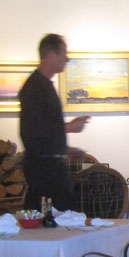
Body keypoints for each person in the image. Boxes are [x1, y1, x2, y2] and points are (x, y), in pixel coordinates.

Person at [19, 33, 91, 210]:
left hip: (49, 165)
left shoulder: (43, 85)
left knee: (65, 215)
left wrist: (64, 149)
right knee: (61, 217)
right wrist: (69, 127)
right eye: (64, 54)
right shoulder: (34, 87)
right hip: (43, 169)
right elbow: (31, 131)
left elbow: (44, 130)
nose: (67, 59)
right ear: (51, 55)